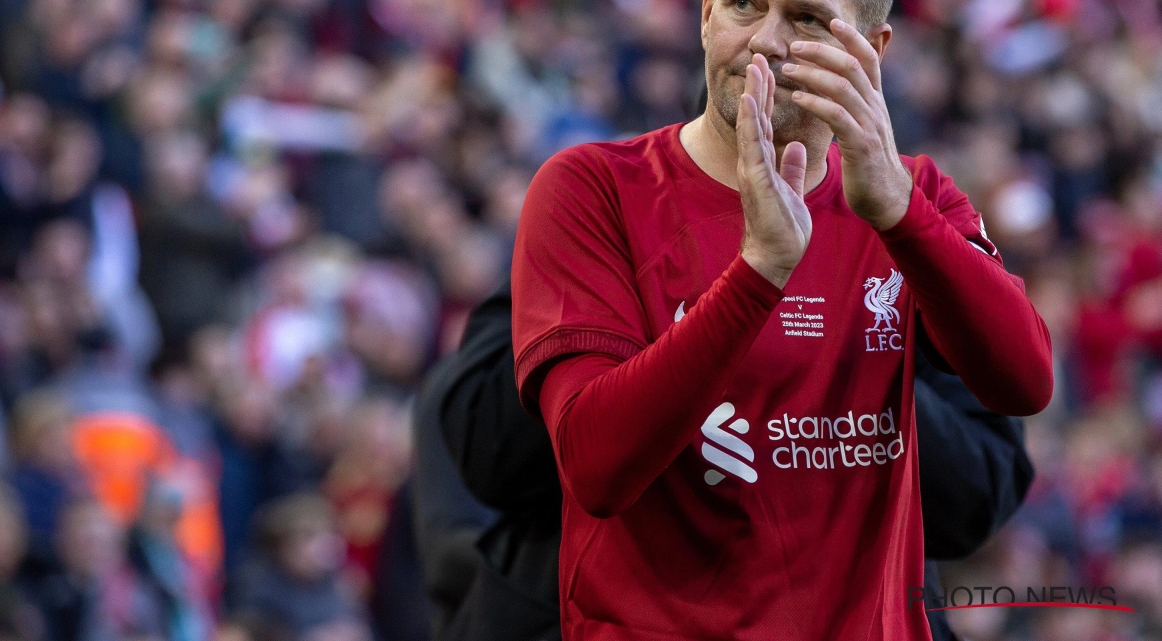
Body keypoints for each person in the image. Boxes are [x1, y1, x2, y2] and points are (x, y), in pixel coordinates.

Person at [509, 0, 1052, 639]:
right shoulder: (591, 189)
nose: (763, 41)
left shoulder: (911, 196)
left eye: (804, 19)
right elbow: (596, 469)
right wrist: (760, 271)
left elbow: (1023, 382)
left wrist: (897, 211)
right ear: (704, 12)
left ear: (872, 50)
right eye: (742, 4)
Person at [413, 278, 1035, 641]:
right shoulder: (598, 240)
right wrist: (686, 315)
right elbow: (482, 451)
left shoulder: (899, 271)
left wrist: (831, 352)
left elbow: (981, 494)